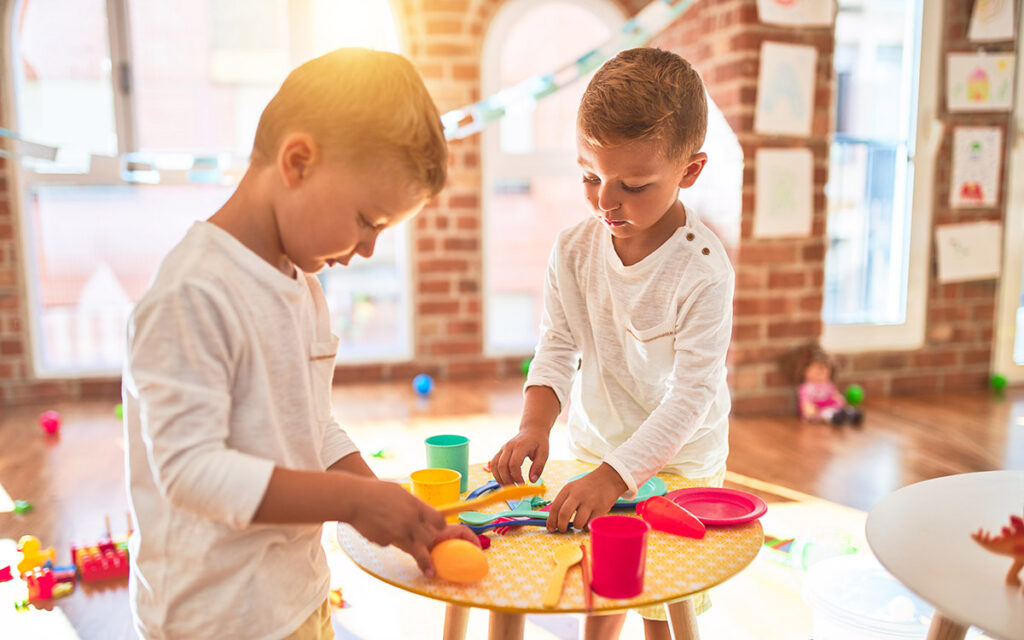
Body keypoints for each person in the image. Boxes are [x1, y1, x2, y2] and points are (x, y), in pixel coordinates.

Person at [122, 48, 478, 640]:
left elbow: (312, 427)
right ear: (298, 162)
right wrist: (353, 503)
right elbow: (189, 472)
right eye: (367, 220)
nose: (367, 249)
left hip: (297, 599)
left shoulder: (304, 288)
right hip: (214, 621)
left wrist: (386, 503)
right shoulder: (193, 294)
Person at [489, 48, 733, 640]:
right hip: (596, 446)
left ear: (690, 171)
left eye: (634, 185)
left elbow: (692, 395)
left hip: (680, 460)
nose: (605, 200)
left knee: (661, 600)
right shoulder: (574, 249)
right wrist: (534, 425)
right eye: (590, 176)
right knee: (601, 587)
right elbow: (557, 346)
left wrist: (615, 476)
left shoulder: (704, 270)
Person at [798, 346, 863, 426]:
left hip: (832, 407)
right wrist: (809, 409)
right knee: (827, 414)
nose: (821, 371)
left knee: (842, 409)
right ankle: (838, 417)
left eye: (824, 370)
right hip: (819, 410)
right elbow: (805, 401)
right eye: (817, 370)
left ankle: (852, 414)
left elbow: (835, 395)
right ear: (805, 371)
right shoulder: (806, 388)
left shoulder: (828, 385)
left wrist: (841, 399)